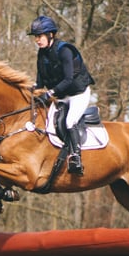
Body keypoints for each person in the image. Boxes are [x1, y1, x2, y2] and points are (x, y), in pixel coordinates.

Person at [28, 15, 95, 176]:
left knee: (70, 121)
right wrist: (30, 89)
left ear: (50, 34)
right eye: (36, 37)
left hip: (78, 93)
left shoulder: (64, 50)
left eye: (39, 36)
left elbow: (68, 79)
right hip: (62, 95)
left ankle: (76, 157)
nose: (37, 40)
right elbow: (40, 82)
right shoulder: (42, 54)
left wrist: (50, 93)